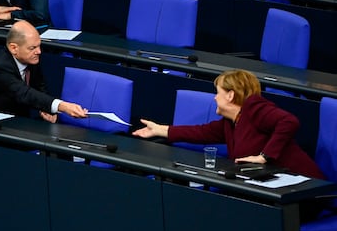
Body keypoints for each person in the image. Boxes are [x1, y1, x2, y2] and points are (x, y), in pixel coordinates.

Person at [132, 69, 325, 180]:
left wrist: (264, 156)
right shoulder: (231, 122)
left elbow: (289, 121)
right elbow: (201, 132)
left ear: (231, 95)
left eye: (218, 92)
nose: (215, 98)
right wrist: (159, 129)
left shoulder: (254, 108)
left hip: (301, 189)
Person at [0, 20, 87, 123]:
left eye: (39, 46)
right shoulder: (0, 67)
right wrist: (62, 106)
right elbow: (23, 93)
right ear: (14, 48)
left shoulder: (30, 58)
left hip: (12, 114)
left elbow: (39, 87)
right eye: (33, 48)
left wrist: (49, 111)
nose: (39, 51)